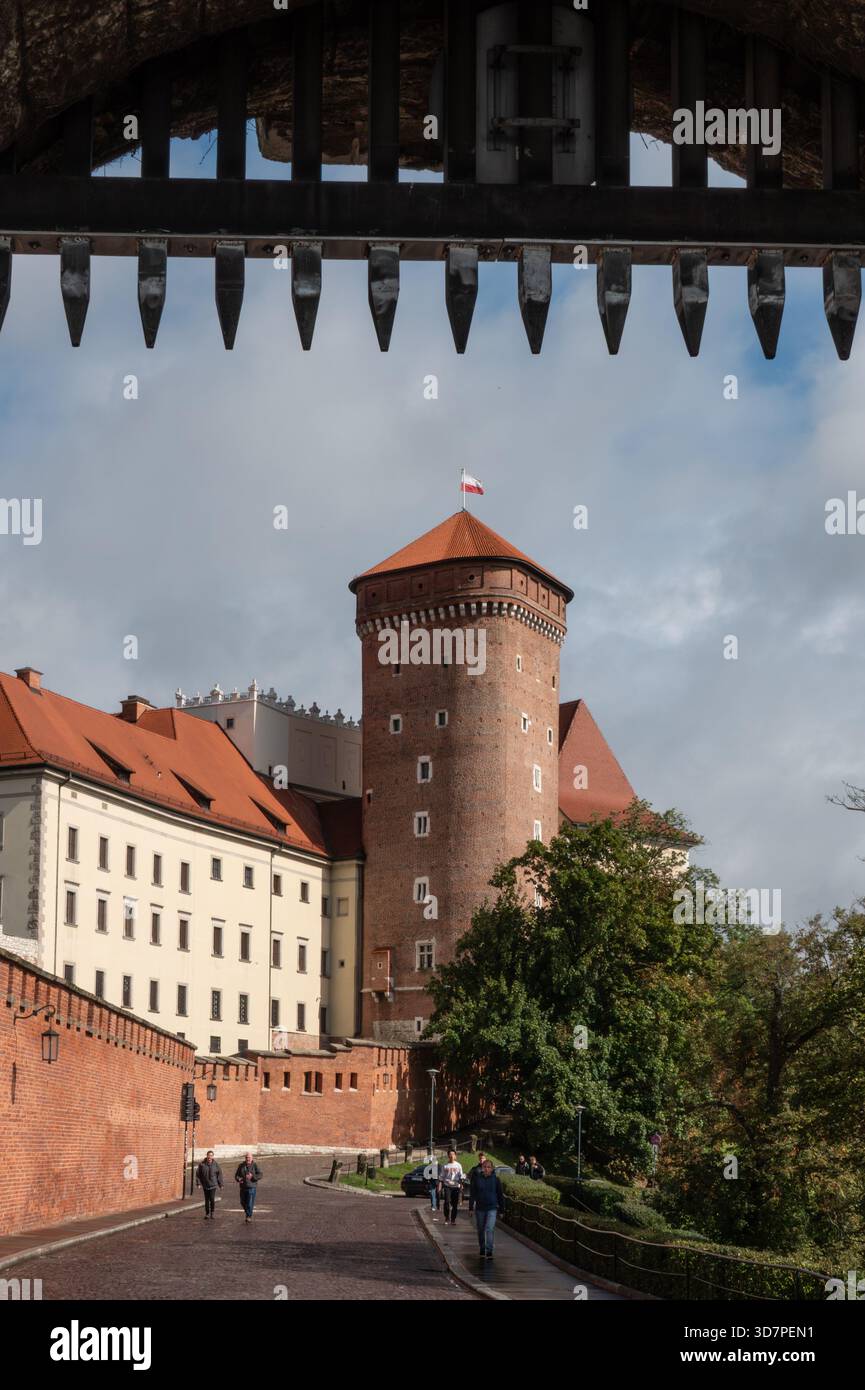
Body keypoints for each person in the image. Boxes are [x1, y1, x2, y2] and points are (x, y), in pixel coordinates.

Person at [472, 1158, 505, 1261]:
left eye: (489, 1167)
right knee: (481, 1230)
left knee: (489, 1229)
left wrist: (502, 1210)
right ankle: (482, 1248)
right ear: (482, 1168)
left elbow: (500, 1195)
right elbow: (473, 1194)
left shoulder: (496, 1180)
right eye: (485, 1167)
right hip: (480, 1208)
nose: (486, 1169)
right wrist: (470, 1207)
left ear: (492, 1169)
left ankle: (489, 1251)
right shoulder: (477, 1179)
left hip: (492, 1208)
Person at [234, 1152, 262, 1223]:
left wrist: (253, 1177)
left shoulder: (255, 1165)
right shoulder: (241, 1165)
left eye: (249, 1158)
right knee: (242, 1202)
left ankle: (248, 1216)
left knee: (249, 1203)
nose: (248, 1159)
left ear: (252, 1158)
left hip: (251, 1187)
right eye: (246, 1158)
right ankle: (248, 1212)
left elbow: (260, 1175)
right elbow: (236, 1175)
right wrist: (239, 1179)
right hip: (243, 1187)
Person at [439, 1148, 464, 1225]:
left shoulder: (458, 1165)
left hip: (456, 1186)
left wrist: (461, 1184)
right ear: (448, 1156)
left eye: (453, 1154)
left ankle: (453, 1219)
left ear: (455, 1156)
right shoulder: (445, 1166)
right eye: (450, 1154)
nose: (451, 1156)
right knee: (446, 1202)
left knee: (454, 1204)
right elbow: (441, 1177)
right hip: (447, 1186)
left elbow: (461, 1176)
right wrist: (439, 1187)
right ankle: (447, 1217)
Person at [196, 1150, 223, 1219]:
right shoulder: (202, 1164)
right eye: (209, 1155)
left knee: (212, 1198)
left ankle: (212, 1212)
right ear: (207, 1156)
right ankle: (207, 1213)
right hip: (205, 1185)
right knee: (206, 1200)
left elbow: (219, 1174)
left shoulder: (215, 1164)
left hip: (213, 1185)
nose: (210, 1157)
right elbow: (198, 1174)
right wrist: (198, 1183)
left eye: (211, 1155)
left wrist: (221, 1184)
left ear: (212, 1156)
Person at [426, 1153, 441, 1220]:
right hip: (432, 1182)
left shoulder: (439, 1165)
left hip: (438, 1182)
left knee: (438, 1194)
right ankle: (433, 1206)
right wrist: (428, 1178)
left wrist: (439, 1180)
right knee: (432, 1194)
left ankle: (438, 1205)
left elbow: (440, 1173)